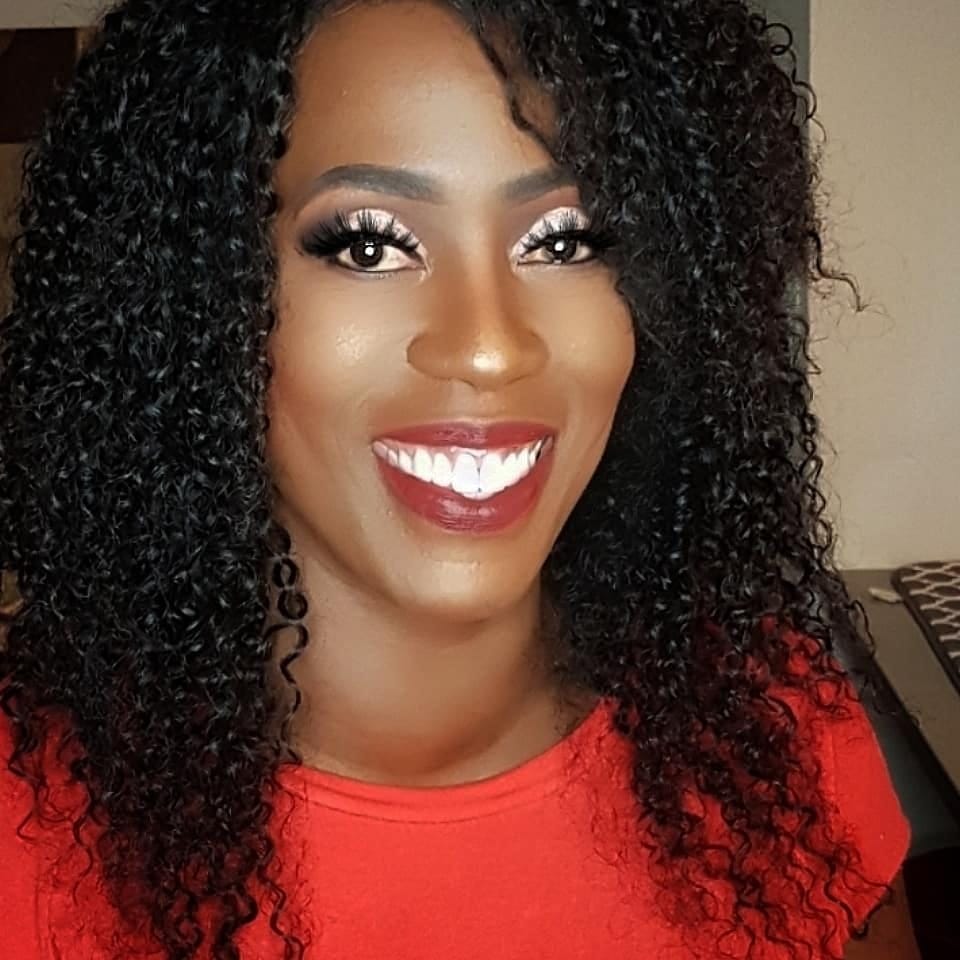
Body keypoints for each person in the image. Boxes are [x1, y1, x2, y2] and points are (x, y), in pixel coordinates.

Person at [0, 1, 919, 958]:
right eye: (368, 244)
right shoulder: (28, 830)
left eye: (563, 240)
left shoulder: (765, 727)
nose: (487, 347)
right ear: (197, 296)